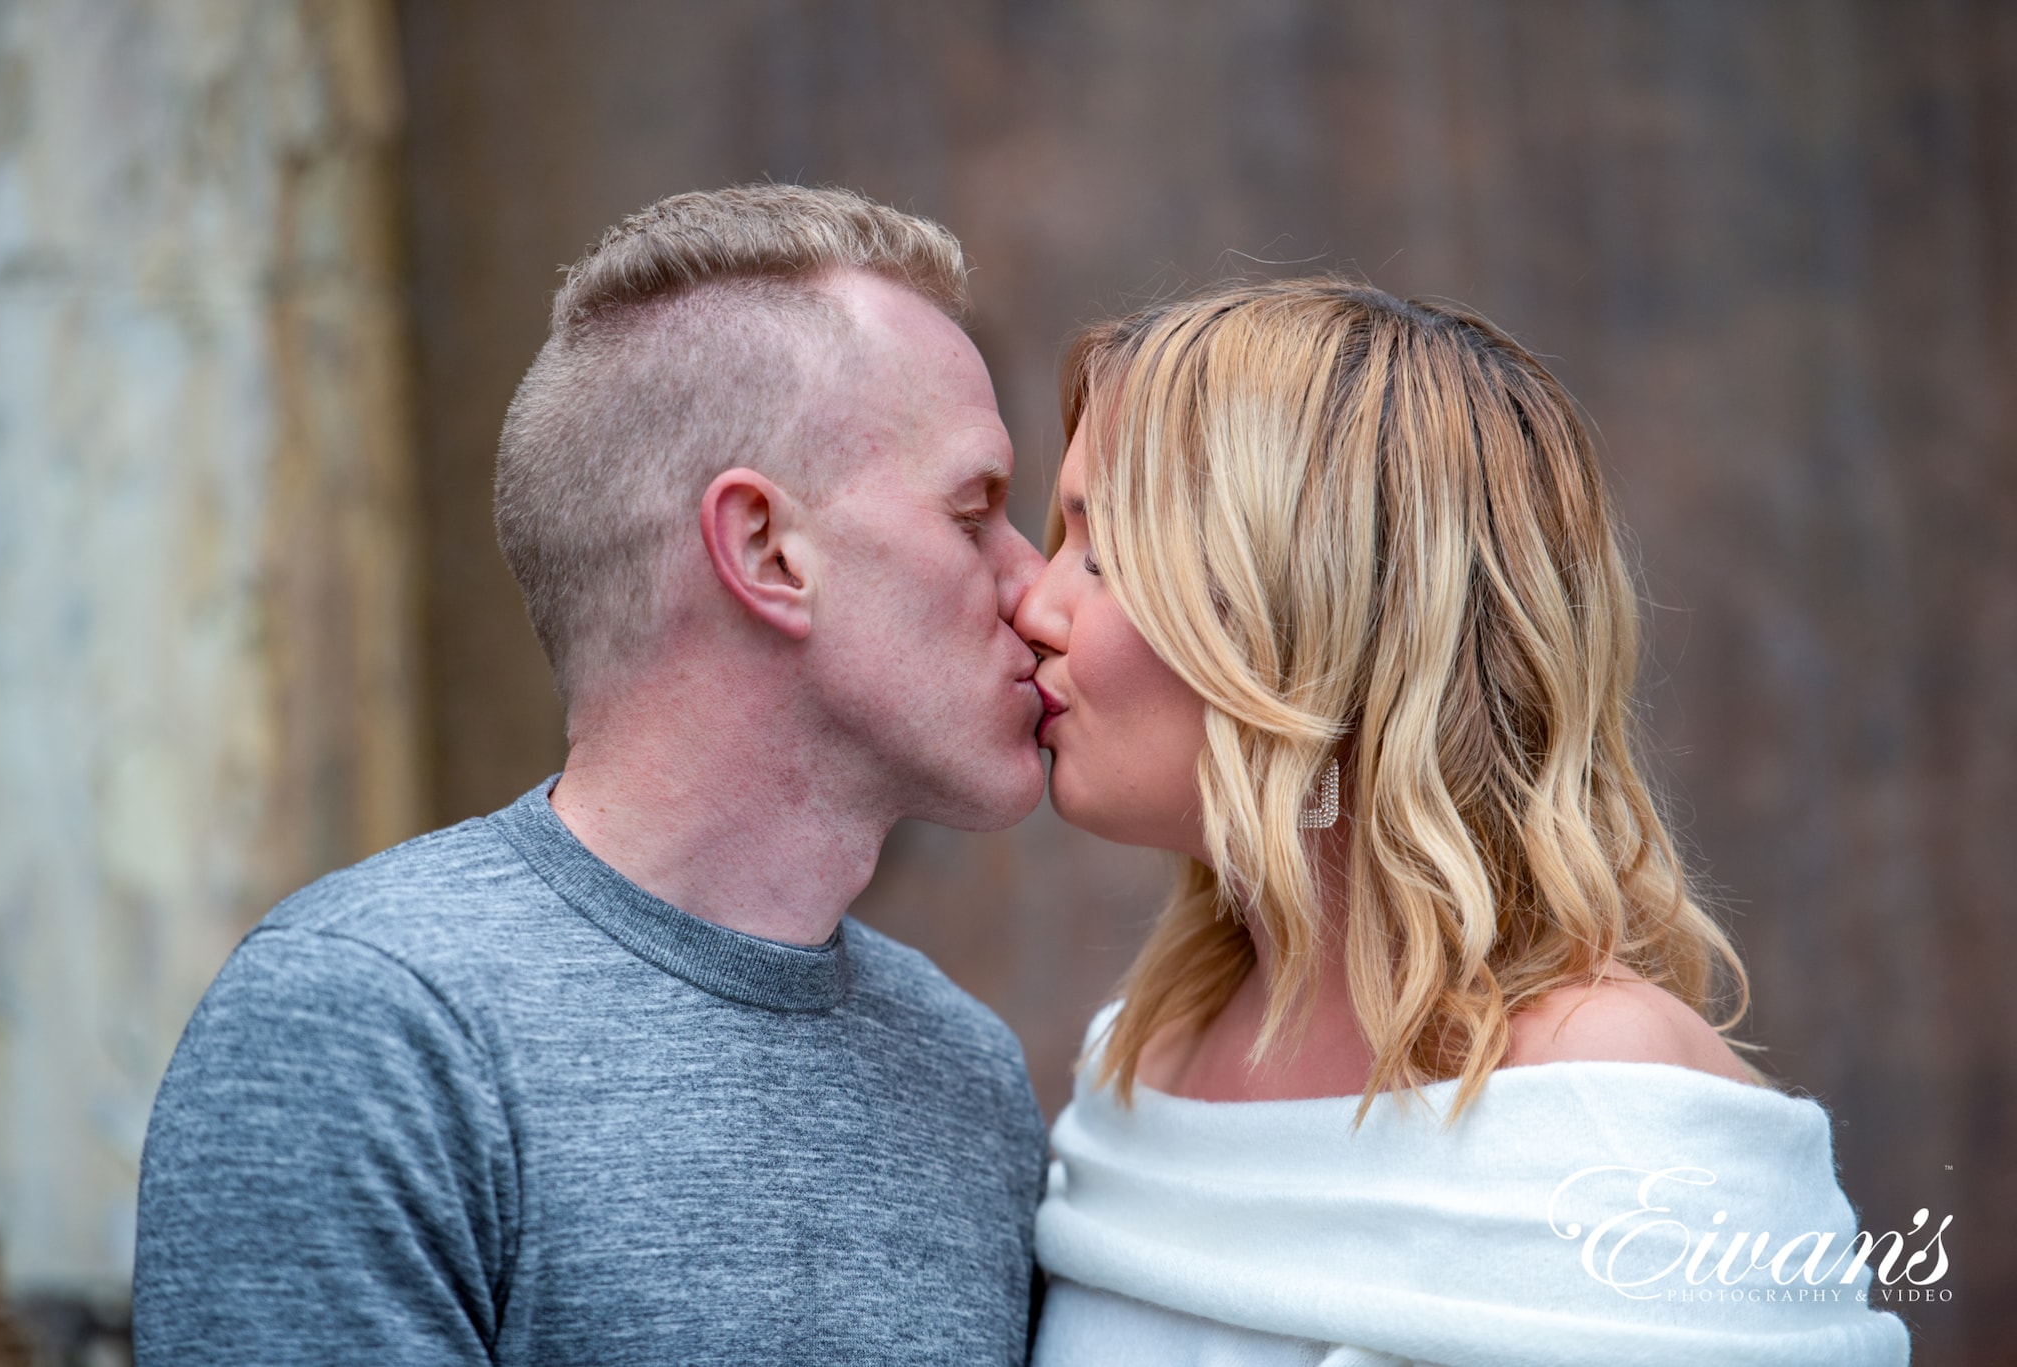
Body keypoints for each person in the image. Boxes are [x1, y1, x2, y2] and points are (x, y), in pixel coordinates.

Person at [133, 185, 1050, 1366]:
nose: (1035, 584)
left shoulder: (962, 1068)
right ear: (768, 550)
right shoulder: (367, 1024)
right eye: (974, 510)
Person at [1017, 280, 1913, 1366]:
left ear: (1316, 620)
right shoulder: (1136, 1061)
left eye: (1101, 555)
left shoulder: (1607, 1094)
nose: (1034, 604)